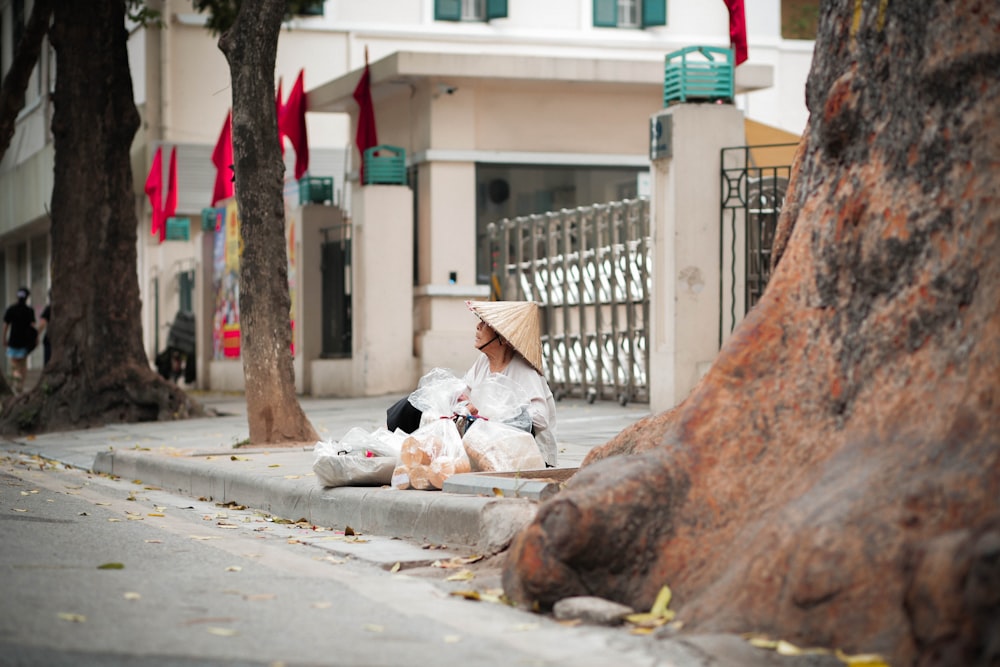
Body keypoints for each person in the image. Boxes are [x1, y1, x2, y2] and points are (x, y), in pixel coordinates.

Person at [387, 300, 558, 467]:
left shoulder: (524, 370)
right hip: (483, 438)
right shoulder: (483, 362)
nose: (478, 326)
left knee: (488, 425)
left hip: (525, 453)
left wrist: (493, 411)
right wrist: (457, 401)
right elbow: (465, 395)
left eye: (485, 323)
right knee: (418, 404)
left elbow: (540, 419)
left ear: (503, 338)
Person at [3, 287, 37, 393]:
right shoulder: (29, 311)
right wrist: (35, 339)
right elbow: (33, 326)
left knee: (14, 365)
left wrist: (4, 338)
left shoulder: (11, 309)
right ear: (27, 297)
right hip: (25, 343)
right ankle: (21, 385)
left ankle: (16, 379)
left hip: (13, 342)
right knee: (23, 365)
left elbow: (6, 326)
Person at [37, 292, 51, 366]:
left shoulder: (49, 308)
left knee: (48, 361)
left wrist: (36, 335)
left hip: (50, 339)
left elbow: (42, 323)